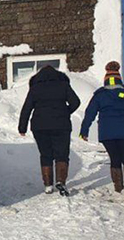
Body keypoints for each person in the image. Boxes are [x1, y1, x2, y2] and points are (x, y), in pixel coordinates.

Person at [18, 65, 81, 196]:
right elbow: (75, 102)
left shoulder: (35, 88)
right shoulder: (63, 85)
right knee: (62, 154)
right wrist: (65, 112)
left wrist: (22, 127)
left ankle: (48, 185)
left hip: (40, 126)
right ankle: (61, 181)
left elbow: (26, 109)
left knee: (45, 154)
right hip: (61, 125)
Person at [80, 61, 124, 194]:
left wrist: (84, 131)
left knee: (115, 158)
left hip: (107, 133)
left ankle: (118, 186)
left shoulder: (99, 95)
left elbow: (90, 113)